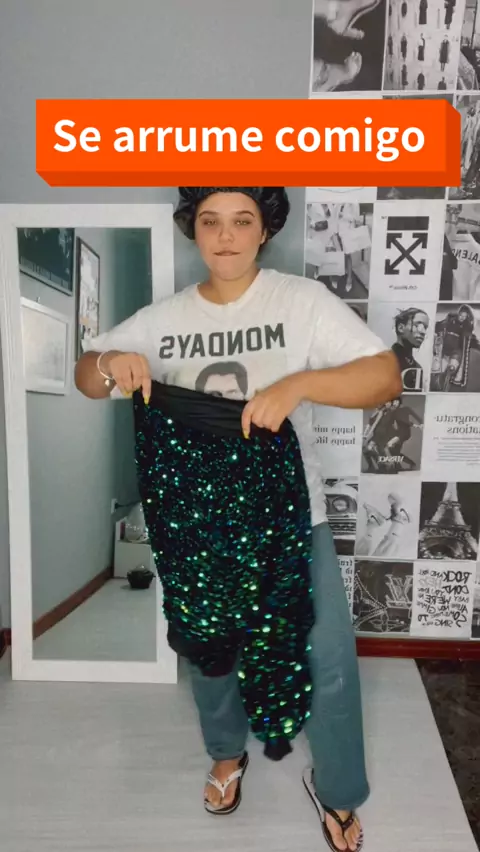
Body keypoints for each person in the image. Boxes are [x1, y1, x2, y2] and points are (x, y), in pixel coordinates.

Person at [74, 187, 401, 852]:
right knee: (212, 648)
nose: (225, 236)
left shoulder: (301, 302)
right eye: (211, 221)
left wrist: (299, 384)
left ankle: (339, 788)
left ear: (264, 231)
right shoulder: (164, 318)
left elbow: (384, 376)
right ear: (193, 230)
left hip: (291, 518)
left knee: (328, 655)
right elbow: (86, 376)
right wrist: (108, 362)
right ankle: (226, 754)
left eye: (241, 221)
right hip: (199, 526)